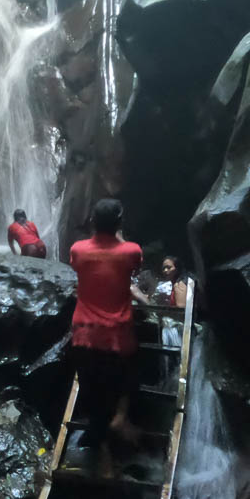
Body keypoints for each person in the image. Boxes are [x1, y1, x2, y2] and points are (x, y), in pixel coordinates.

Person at [69, 199, 148, 477]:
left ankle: (102, 451)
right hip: (116, 336)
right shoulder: (131, 250)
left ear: (92, 222)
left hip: (83, 334)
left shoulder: (78, 250)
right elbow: (133, 267)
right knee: (128, 373)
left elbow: (81, 267)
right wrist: (119, 234)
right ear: (119, 223)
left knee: (92, 393)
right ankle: (121, 417)